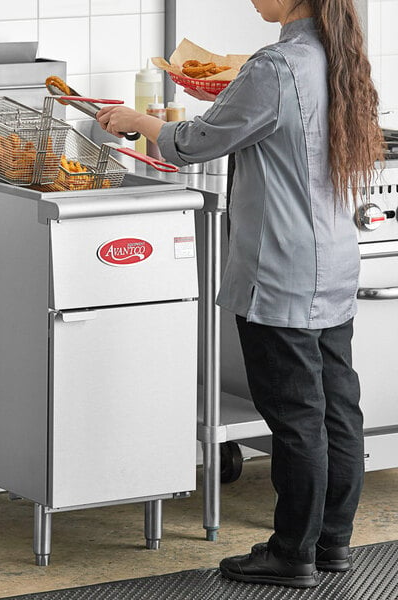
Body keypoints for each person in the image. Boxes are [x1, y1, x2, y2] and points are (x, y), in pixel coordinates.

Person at [96, 0, 385, 590]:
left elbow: (200, 141)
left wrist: (138, 120)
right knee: (336, 408)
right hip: (331, 259)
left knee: (296, 419)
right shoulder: (337, 55)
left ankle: (291, 553)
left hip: (278, 267)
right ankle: (330, 543)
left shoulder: (275, 65)